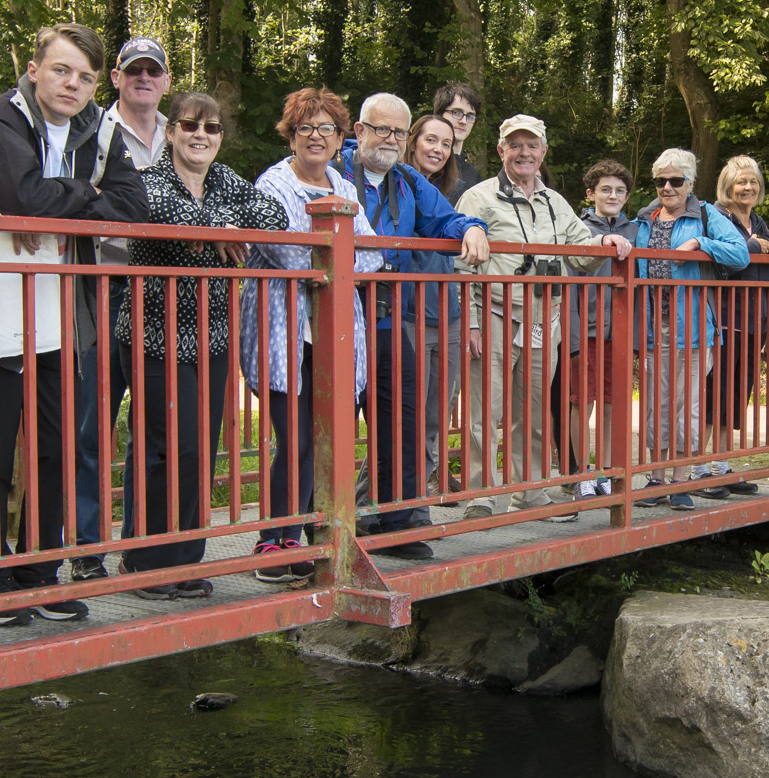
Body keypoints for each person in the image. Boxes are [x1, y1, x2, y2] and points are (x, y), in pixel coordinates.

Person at [0, 22, 149, 625]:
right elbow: (21, 198)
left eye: (86, 77)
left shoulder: (100, 128)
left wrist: (61, 196)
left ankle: (41, 570)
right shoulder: (0, 119)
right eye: (62, 70)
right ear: (36, 68)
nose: (72, 85)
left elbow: (132, 205)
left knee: (56, 440)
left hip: (64, 307)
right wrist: (84, 194)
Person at [115, 91, 286, 598]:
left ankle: (185, 559)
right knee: (167, 445)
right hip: (153, 334)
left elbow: (273, 216)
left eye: (211, 128)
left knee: (200, 449)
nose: (200, 135)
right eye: (189, 125)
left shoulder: (226, 181)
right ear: (170, 133)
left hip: (213, 336)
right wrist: (219, 231)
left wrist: (223, 230)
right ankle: (144, 559)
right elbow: (164, 222)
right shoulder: (148, 180)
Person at [338, 92, 490, 556]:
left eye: (397, 132)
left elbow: (445, 218)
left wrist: (471, 228)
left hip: (384, 317)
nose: (390, 138)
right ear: (360, 130)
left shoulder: (404, 180)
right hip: (336, 314)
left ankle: (397, 520)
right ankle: (319, 530)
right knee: (329, 419)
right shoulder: (336, 170)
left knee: (401, 416)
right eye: (381, 129)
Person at [454, 115, 626, 520]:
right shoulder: (478, 198)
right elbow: (461, 270)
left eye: (532, 145)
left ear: (543, 152)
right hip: (494, 312)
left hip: (542, 318)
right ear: (501, 151)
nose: (524, 152)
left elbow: (581, 251)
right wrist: (472, 323)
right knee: (484, 410)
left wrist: (604, 241)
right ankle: (480, 496)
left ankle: (529, 492)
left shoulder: (555, 203)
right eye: (515, 145)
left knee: (531, 410)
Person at [243, 87, 383, 579]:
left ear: (340, 137)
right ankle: (273, 542)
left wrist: (332, 264)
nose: (316, 137)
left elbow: (374, 254)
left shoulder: (343, 188)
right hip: (285, 329)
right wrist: (334, 262)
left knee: (331, 435)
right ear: (292, 134)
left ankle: (321, 534)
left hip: (335, 332)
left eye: (327, 128)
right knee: (297, 437)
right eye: (306, 128)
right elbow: (290, 257)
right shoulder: (272, 186)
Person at [73, 36, 173, 578]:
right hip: (103, 289)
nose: (142, 79)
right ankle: (87, 550)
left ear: (165, 81)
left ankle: (144, 549)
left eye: (151, 72)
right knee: (91, 427)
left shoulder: (182, 136)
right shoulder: (92, 132)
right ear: (115, 77)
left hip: (162, 297)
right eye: (132, 70)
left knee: (156, 429)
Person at [628, 148, 749, 507]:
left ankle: (681, 480)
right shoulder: (645, 219)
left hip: (694, 329)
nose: (668, 187)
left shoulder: (706, 215)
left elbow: (740, 253)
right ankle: (655, 478)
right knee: (656, 404)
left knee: (688, 405)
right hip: (654, 328)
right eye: (661, 180)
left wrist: (701, 244)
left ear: (690, 183)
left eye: (676, 180)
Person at [706, 155, 769, 495]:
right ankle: (697, 469)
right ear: (728, 186)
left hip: (755, 323)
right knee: (713, 395)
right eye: (741, 181)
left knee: (736, 397)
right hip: (725, 320)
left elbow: (768, 272)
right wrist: (754, 247)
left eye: (753, 182)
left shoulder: (760, 222)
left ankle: (721, 466)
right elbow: (723, 260)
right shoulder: (717, 217)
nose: (748, 187)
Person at [569, 159, 636, 506]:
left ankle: (607, 471)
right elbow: (570, 287)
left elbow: (641, 288)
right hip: (587, 330)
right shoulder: (579, 229)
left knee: (612, 402)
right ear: (591, 193)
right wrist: (575, 337)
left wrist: (635, 337)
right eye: (605, 189)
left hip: (620, 335)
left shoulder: (634, 231)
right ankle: (581, 473)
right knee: (582, 402)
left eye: (620, 190)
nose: (613, 195)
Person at [432, 82, 485, 201]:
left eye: (470, 116)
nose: (463, 121)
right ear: (440, 114)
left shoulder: (473, 175)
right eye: (456, 113)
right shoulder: (428, 165)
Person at [406, 113, 461, 200]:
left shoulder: (449, 193)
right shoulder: (393, 183)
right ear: (412, 143)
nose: (438, 149)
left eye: (446, 145)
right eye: (431, 140)